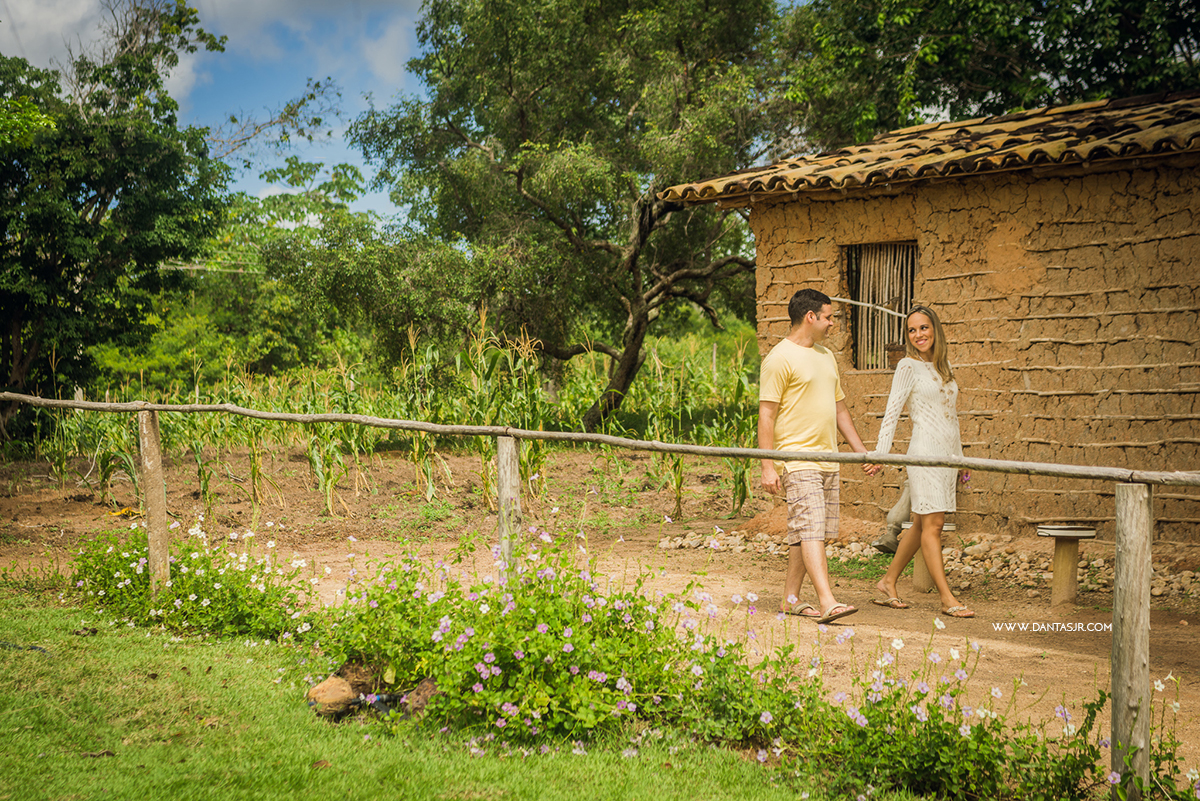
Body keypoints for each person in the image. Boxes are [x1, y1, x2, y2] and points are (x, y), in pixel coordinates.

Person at [759, 288, 879, 624]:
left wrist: (860, 452)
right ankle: (828, 601)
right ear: (810, 317)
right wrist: (768, 466)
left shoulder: (827, 357)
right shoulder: (779, 358)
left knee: (807, 530)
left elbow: (839, 409)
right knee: (810, 528)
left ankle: (790, 598)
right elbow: (766, 415)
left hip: (829, 459)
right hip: (797, 459)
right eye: (828, 317)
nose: (832, 323)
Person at [867, 305, 974, 618]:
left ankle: (887, 582)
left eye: (924, 328)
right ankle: (947, 598)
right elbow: (892, 412)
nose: (918, 335)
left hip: (946, 456)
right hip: (923, 453)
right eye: (912, 330)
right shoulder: (906, 366)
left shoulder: (944, 366)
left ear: (935, 329)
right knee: (934, 524)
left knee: (920, 523)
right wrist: (880, 454)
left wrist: (961, 457)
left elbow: (950, 417)